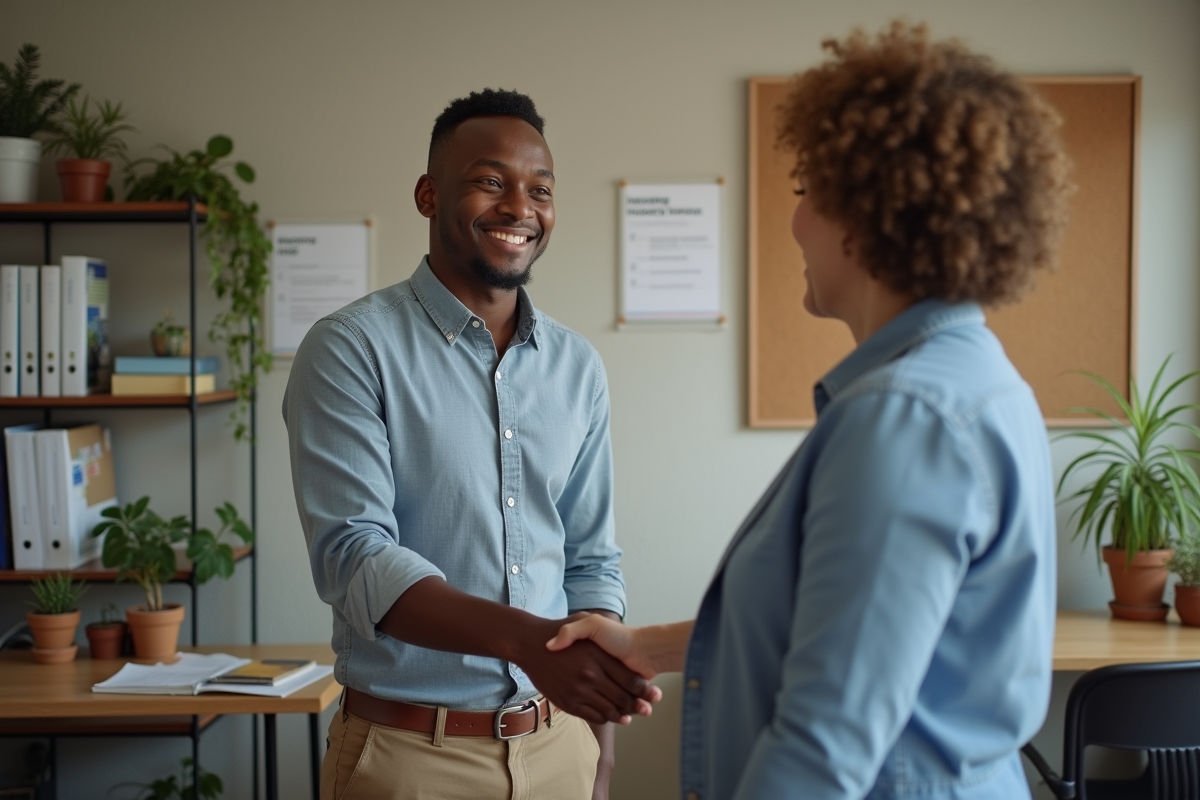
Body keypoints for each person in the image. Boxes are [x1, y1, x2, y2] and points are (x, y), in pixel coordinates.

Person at [548, 21, 1072, 800]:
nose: (795, 221)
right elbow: (839, 634)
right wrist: (647, 647)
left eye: (805, 194)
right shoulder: (973, 382)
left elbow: (823, 746)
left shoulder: (907, 419)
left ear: (864, 214)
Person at [283, 88, 658, 800]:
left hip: (560, 749)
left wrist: (598, 748)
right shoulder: (350, 348)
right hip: (411, 757)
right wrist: (527, 643)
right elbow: (355, 558)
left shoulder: (577, 366)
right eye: (491, 181)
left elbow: (591, 560)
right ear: (428, 195)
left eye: (539, 188)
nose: (520, 207)